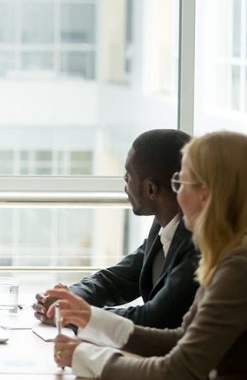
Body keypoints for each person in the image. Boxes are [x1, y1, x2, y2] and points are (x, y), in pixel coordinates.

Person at [48, 131, 247, 380]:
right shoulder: (239, 252)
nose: (177, 195)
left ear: (206, 193)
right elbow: (179, 339)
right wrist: (90, 318)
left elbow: (175, 373)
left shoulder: (244, 267)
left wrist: (85, 358)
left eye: (181, 183)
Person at [34, 129, 198, 328]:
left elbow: (154, 318)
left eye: (129, 174)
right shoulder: (164, 223)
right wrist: (70, 297)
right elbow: (118, 279)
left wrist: (76, 315)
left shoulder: (197, 243)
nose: (124, 179)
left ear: (151, 189)